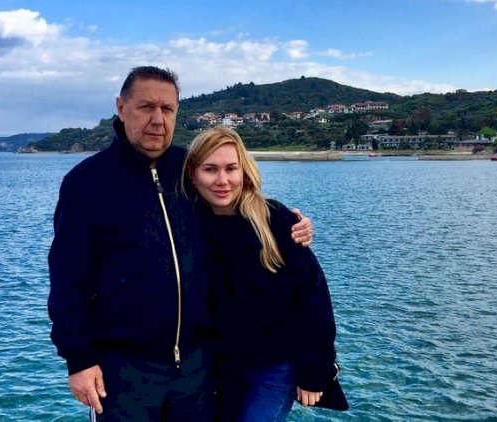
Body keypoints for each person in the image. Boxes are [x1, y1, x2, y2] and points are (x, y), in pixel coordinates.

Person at [47, 66, 313, 421]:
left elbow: (239, 202)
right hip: (122, 371)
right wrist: (79, 359)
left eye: (167, 109)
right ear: (121, 108)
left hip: (198, 368)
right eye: (146, 107)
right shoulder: (86, 183)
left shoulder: (191, 168)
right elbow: (67, 280)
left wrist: (288, 224)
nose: (157, 119)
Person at [182, 127, 338, 422]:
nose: (222, 180)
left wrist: (316, 369)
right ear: (193, 174)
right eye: (210, 169)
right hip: (217, 370)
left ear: (244, 171)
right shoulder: (187, 224)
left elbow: (313, 296)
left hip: (275, 368)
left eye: (231, 168)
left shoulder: (274, 220)